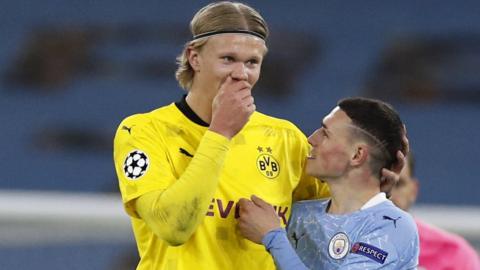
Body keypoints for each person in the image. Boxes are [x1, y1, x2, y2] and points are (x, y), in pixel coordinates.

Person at [113, 2, 405, 269]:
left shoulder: (285, 139)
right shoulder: (144, 131)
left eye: (252, 62)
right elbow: (173, 228)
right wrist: (220, 132)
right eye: (228, 59)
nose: (241, 74)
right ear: (194, 57)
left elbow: (338, 222)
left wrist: (370, 187)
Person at [238, 97, 418, 269]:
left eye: (325, 133)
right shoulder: (299, 214)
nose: (311, 139)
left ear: (356, 155)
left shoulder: (393, 225)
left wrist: (273, 237)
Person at [390, 154, 480, 270]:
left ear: (413, 190)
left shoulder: (456, 256)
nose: (388, 194)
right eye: (379, 183)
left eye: (398, 184)